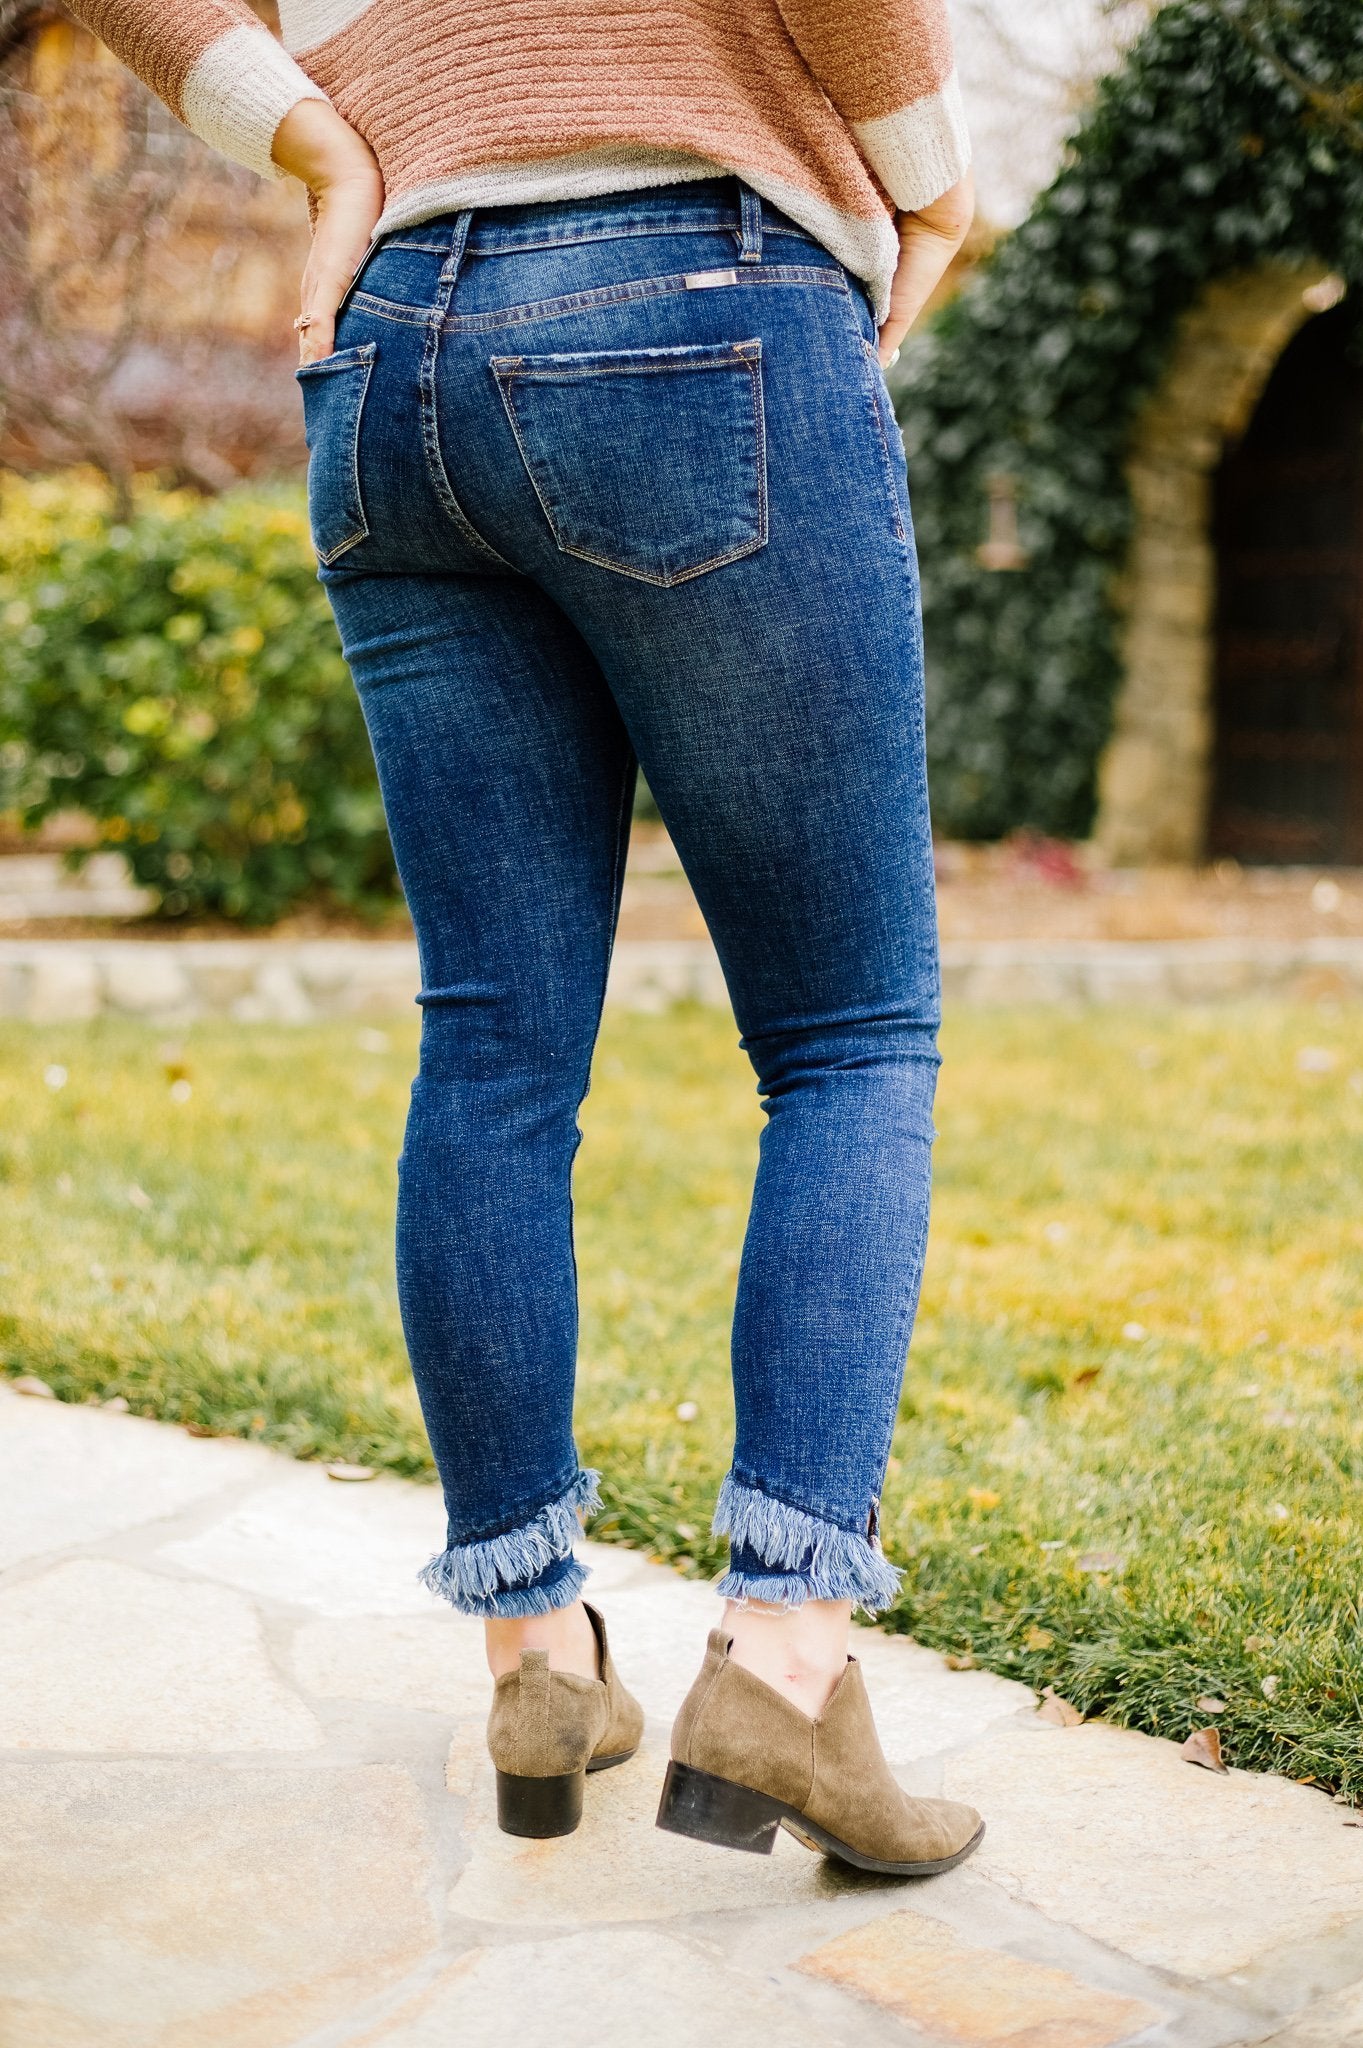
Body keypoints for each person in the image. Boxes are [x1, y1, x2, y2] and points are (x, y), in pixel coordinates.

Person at [70, 0, 983, 1875]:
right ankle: (786, 1663)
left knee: (490, 1045)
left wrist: (310, 141)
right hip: (689, 277)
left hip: (386, 340)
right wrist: (930, 179)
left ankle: (532, 1653)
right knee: (846, 1034)